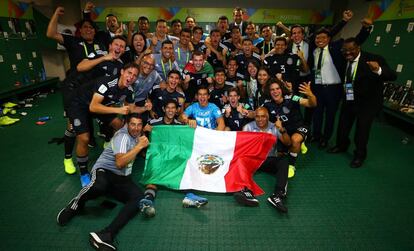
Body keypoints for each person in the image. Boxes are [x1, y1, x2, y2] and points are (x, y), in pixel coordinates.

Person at [56, 113, 149, 251]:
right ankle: (76, 204)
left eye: (139, 124)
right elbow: (120, 163)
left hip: (121, 179)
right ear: (126, 124)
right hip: (104, 171)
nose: (135, 128)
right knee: (99, 186)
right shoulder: (122, 137)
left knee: (138, 199)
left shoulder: (139, 136)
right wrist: (139, 147)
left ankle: (106, 234)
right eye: (132, 124)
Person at [327, 37, 397, 168]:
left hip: (367, 103)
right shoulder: (344, 59)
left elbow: (392, 75)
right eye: (345, 50)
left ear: (358, 47)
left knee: (362, 131)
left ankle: (359, 156)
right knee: (342, 125)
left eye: (351, 50)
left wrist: (378, 70)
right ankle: (341, 146)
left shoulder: (373, 59)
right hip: (349, 98)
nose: (348, 53)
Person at [67, 63, 139, 187]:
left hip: (102, 104)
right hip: (80, 104)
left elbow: (130, 108)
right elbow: (93, 107)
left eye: (135, 75)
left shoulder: (129, 90)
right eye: (129, 73)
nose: (131, 77)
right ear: (122, 72)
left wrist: (145, 108)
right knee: (84, 138)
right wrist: (118, 110)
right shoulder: (107, 83)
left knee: (119, 125)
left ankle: (118, 154)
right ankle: (84, 173)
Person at [309, 13, 372, 149]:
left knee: (330, 115)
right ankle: (316, 135)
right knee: (317, 113)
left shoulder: (337, 48)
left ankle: (325, 138)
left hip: (333, 89)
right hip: (318, 88)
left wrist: (365, 29)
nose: (320, 40)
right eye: (317, 38)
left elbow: (356, 41)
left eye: (323, 37)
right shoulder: (314, 51)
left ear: (329, 38)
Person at [241, 107, 291, 212]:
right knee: (241, 161)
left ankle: (277, 196)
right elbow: (242, 147)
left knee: (284, 161)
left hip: (269, 159)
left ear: (267, 117)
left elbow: (288, 143)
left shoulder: (274, 127)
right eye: (257, 116)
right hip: (254, 160)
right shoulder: (248, 127)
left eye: (263, 116)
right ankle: (246, 191)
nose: (260, 119)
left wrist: (282, 129)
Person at [264, 80, 316, 178]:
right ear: (269, 92)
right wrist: (246, 112)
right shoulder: (268, 104)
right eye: (272, 90)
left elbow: (311, 104)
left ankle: (291, 166)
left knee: (295, 140)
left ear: (282, 90)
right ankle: (297, 146)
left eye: (277, 89)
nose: (275, 92)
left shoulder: (292, 98)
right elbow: (257, 113)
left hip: (299, 127)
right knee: (279, 154)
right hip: (285, 130)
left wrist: (310, 95)